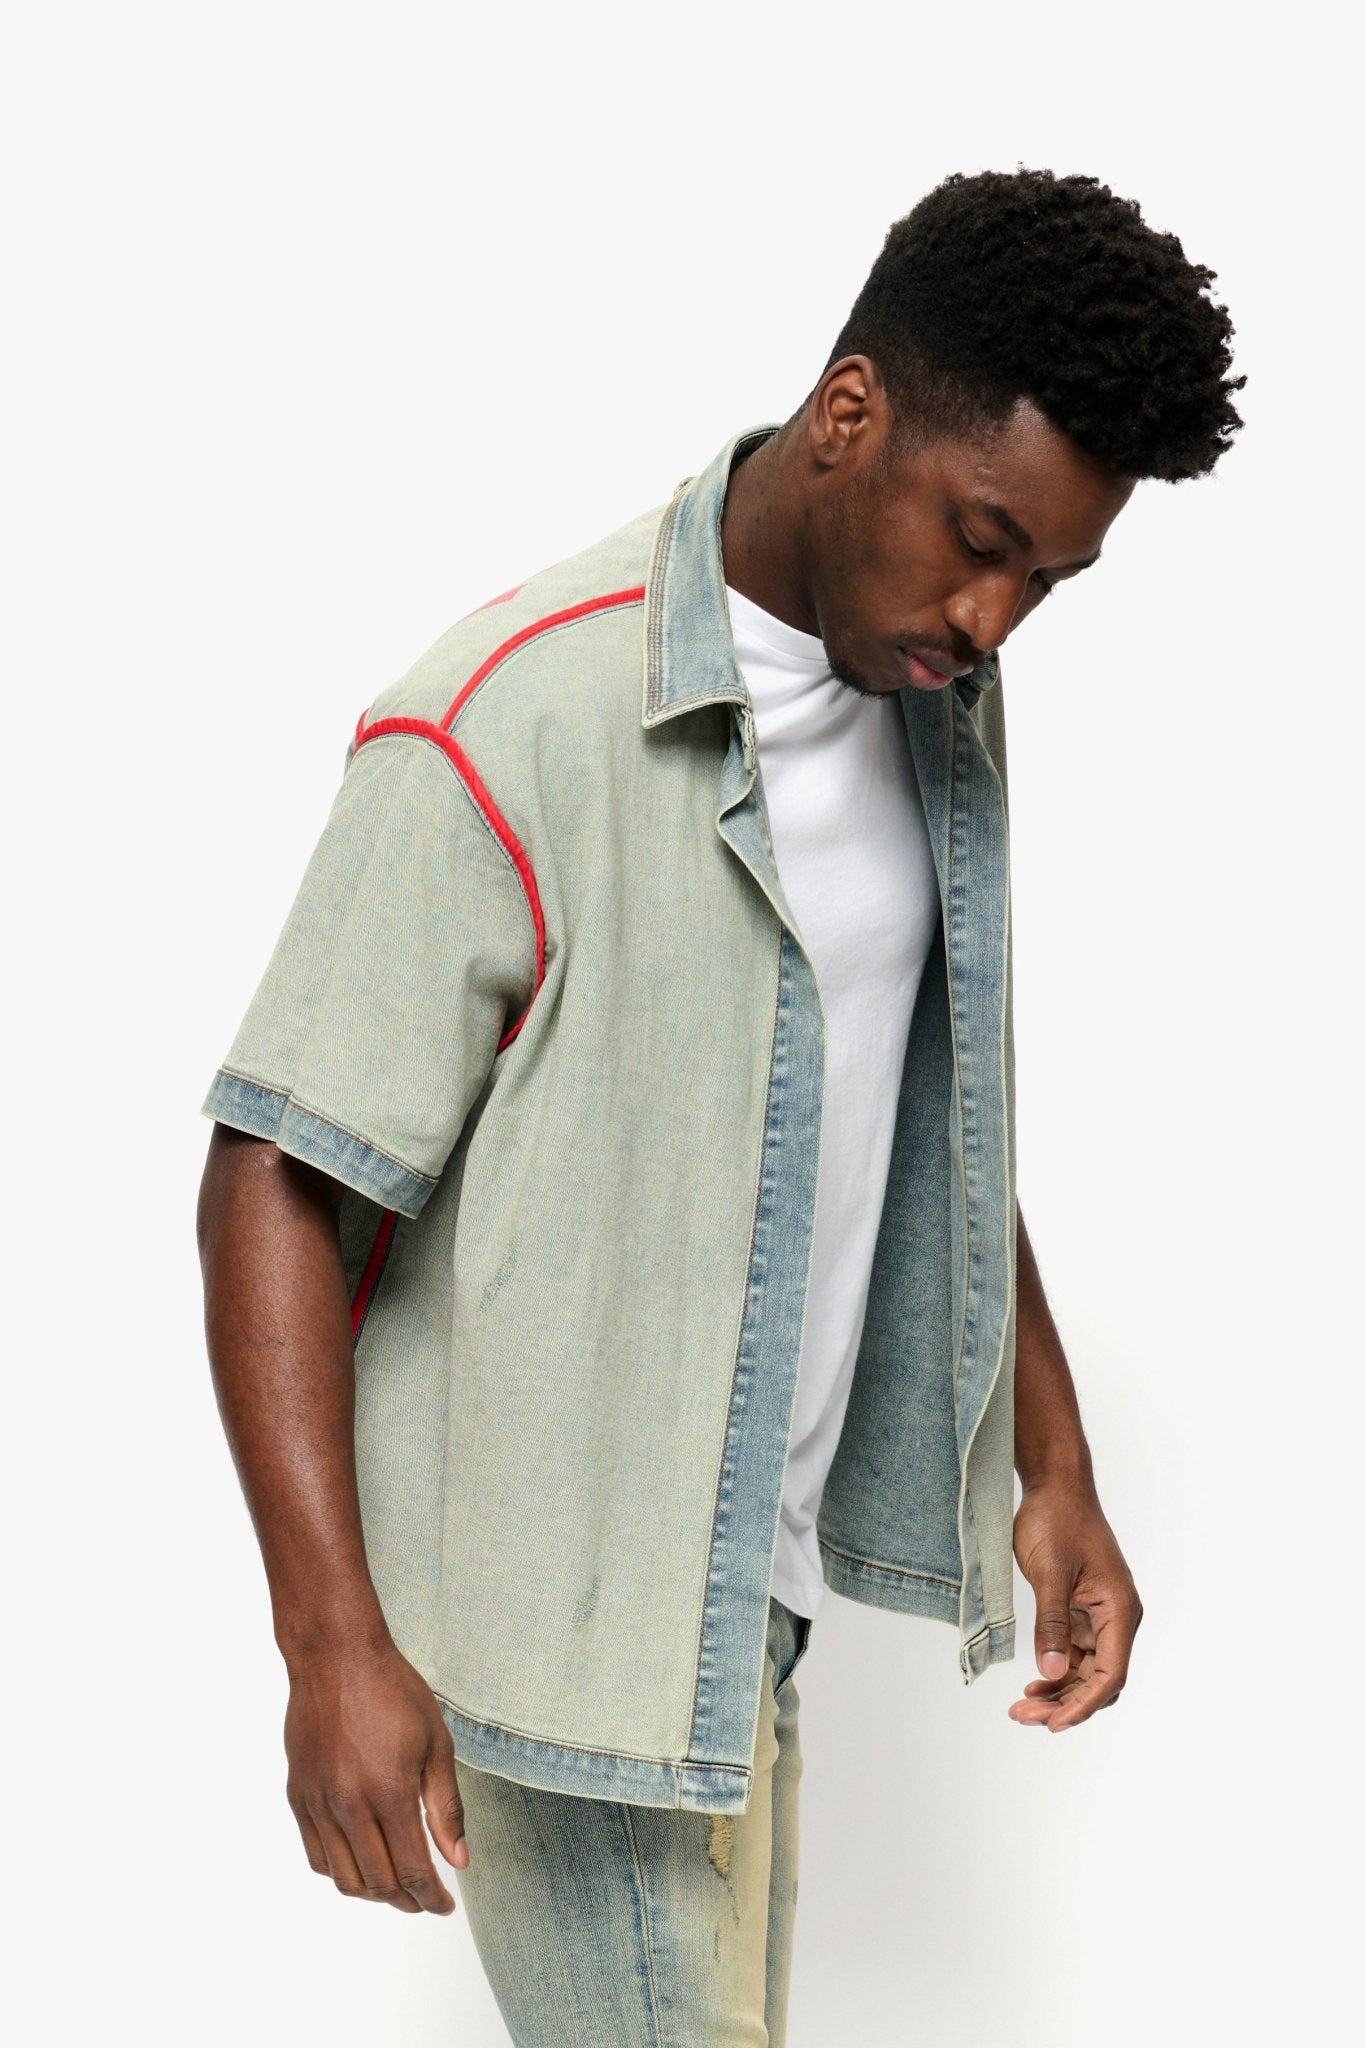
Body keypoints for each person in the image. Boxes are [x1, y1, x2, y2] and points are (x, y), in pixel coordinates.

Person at [197, 166, 1243, 2044]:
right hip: (558, 1640)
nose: (993, 616)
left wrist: (1052, 1461)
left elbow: (917, 1103)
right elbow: (274, 1168)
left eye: (1045, 582)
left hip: (739, 1612)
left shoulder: (928, 700)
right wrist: (328, 1642)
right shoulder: (507, 722)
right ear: (849, 413)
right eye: (981, 540)